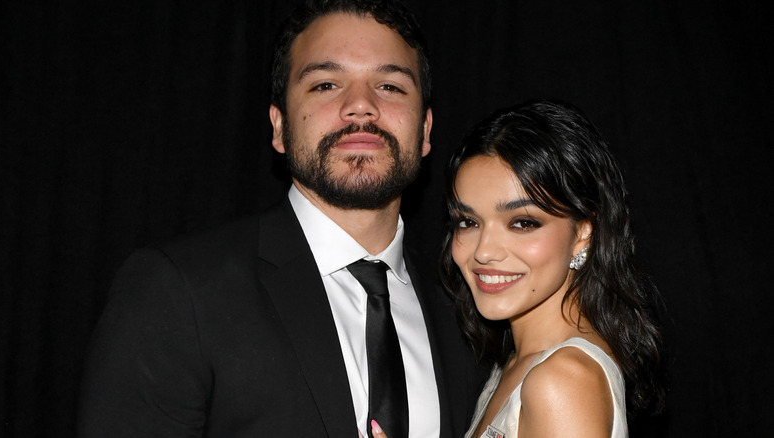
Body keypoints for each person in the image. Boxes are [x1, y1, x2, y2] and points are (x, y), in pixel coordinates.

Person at [76, 1, 485, 437]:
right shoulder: (179, 291)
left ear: (424, 131)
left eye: (389, 86)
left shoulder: (466, 308)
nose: (361, 106)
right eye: (326, 84)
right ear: (278, 126)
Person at [435, 100, 664, 437]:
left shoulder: (560, 381)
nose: (483, 252)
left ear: (583, 233)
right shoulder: (515, 364)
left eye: (522, 223)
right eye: (468, 221)